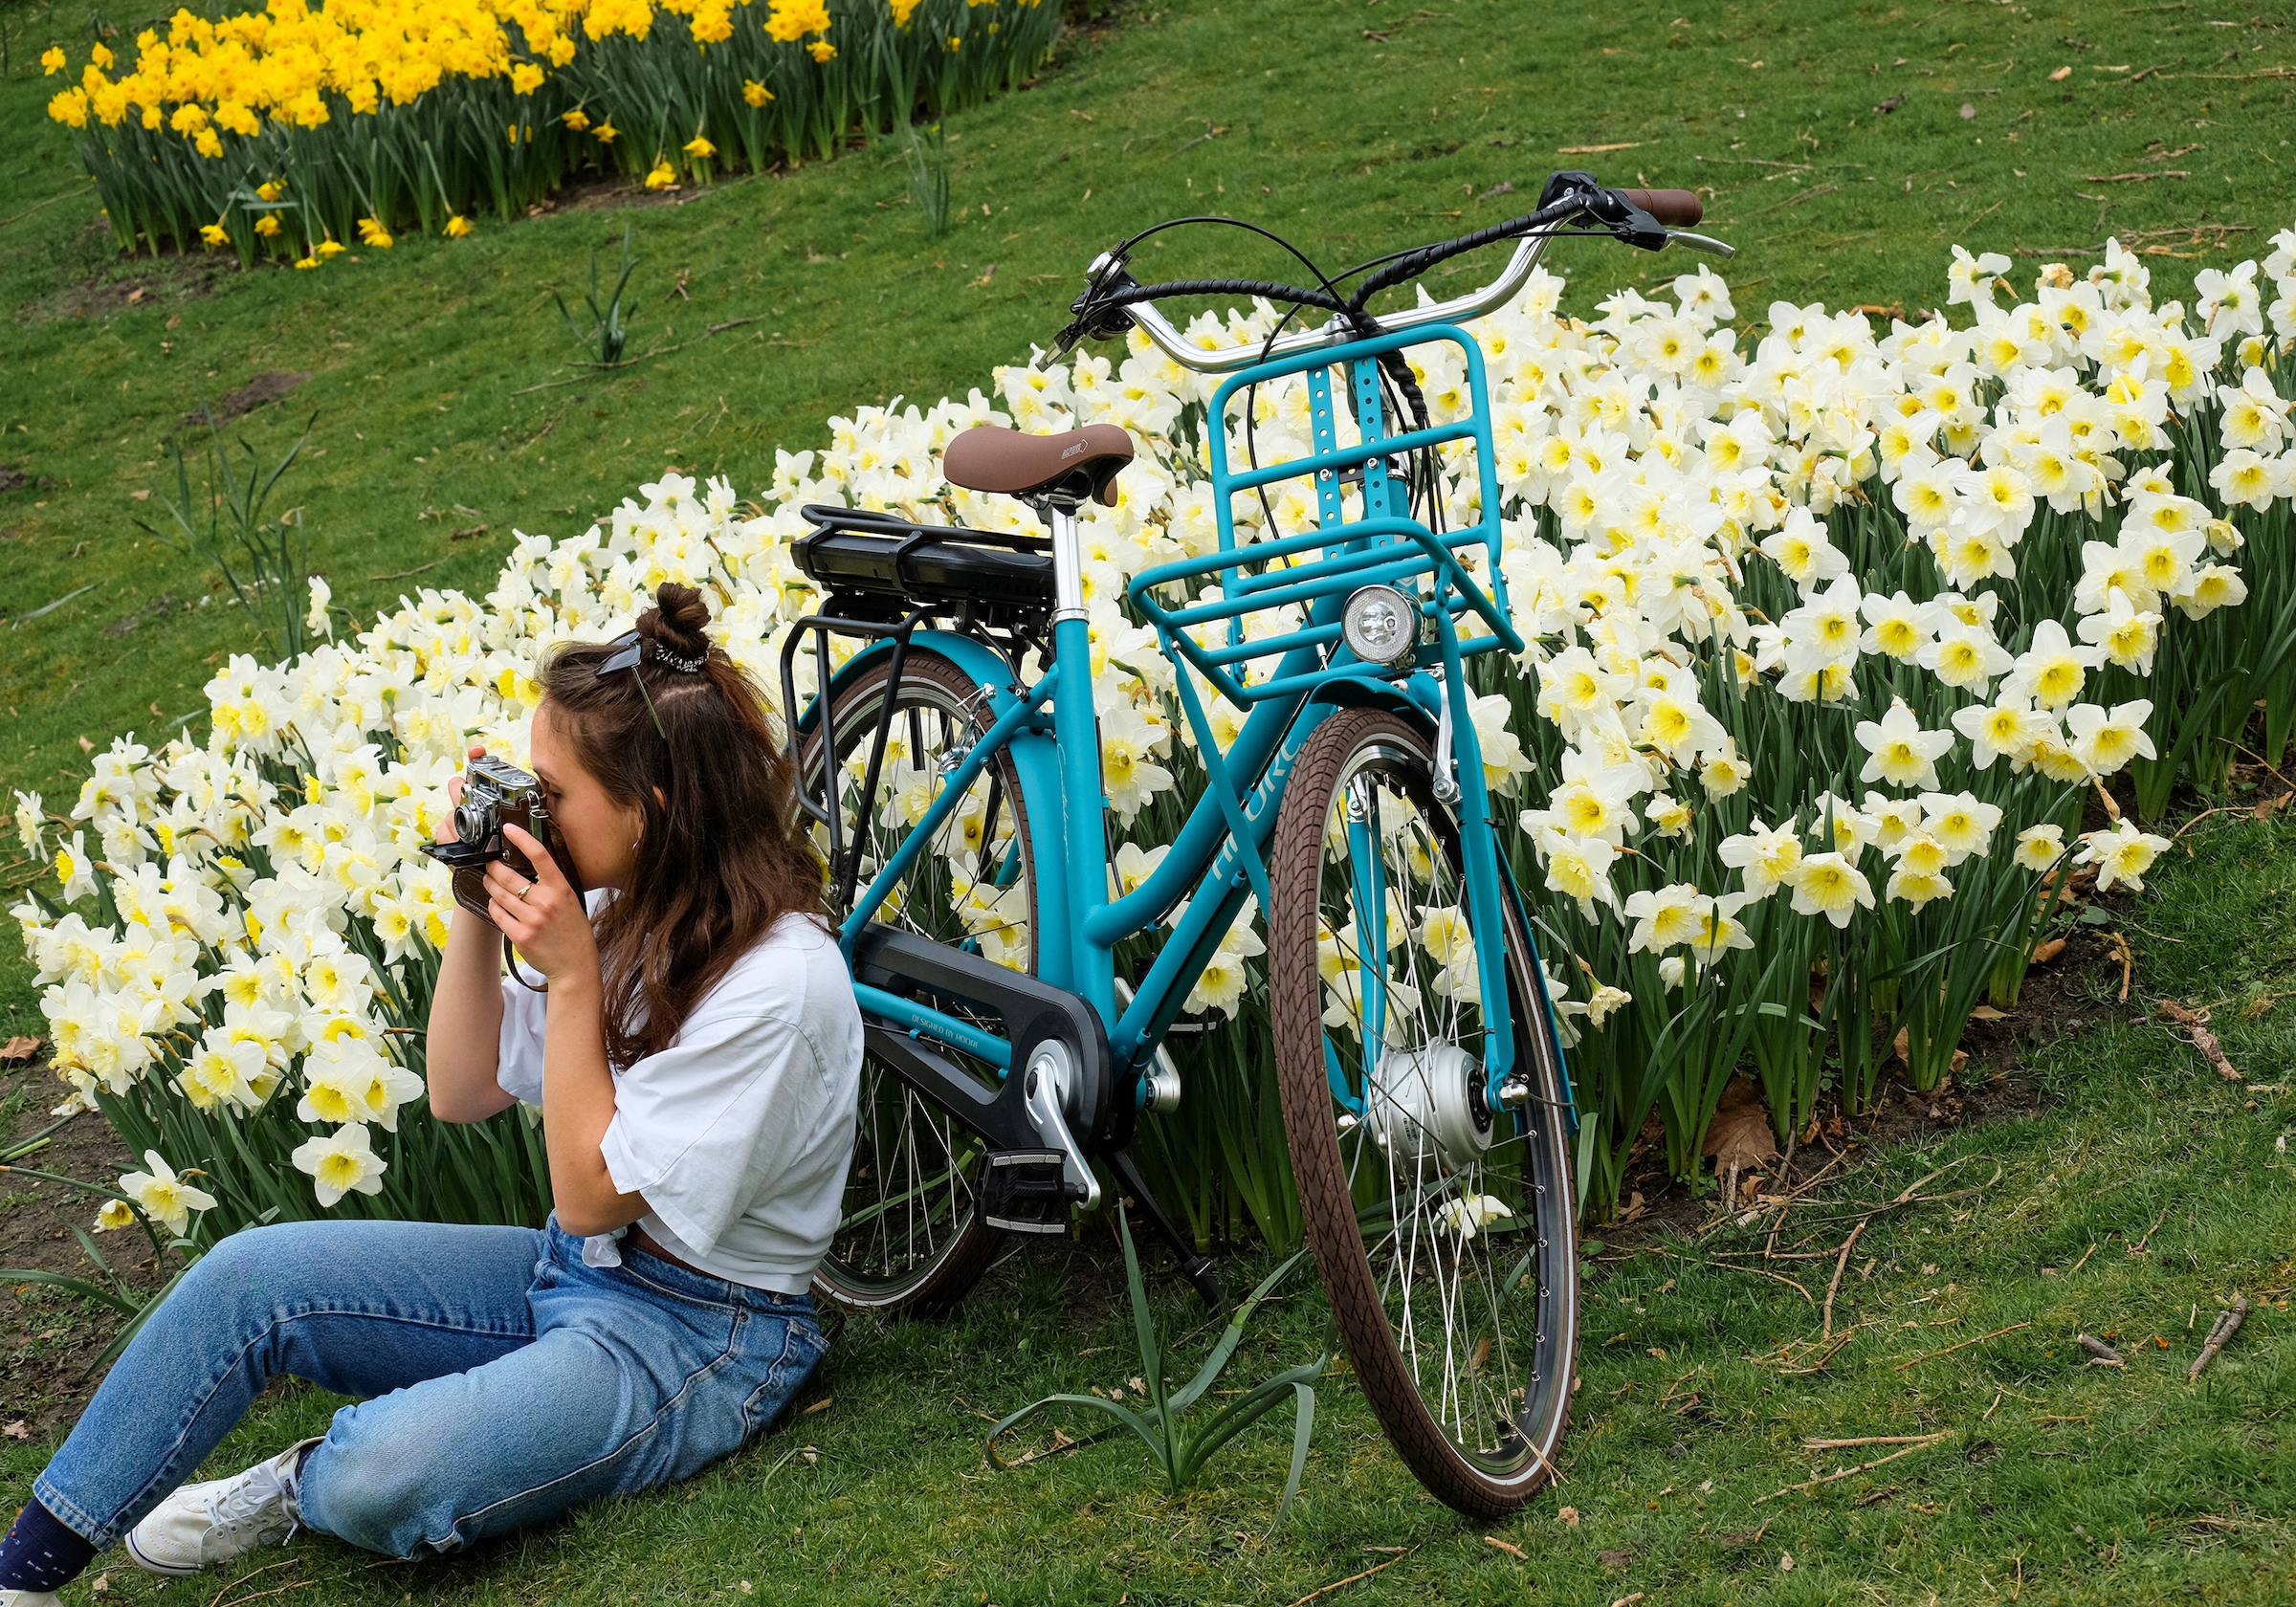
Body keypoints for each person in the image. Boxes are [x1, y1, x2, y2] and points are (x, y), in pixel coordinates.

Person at [0, 583, 860, 1603]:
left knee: (381, 1475)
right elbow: (460, 1090)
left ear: (650, 811)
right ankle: (23, 1574)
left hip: (703, 1332)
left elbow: (592, 1193)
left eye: (550, 791)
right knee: (248, 1279)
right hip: (572, 1269)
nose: (526, 808)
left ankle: (300, 1481)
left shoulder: (779, 984)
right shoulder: (636, 904)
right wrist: (475, 905)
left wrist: (575, 975)